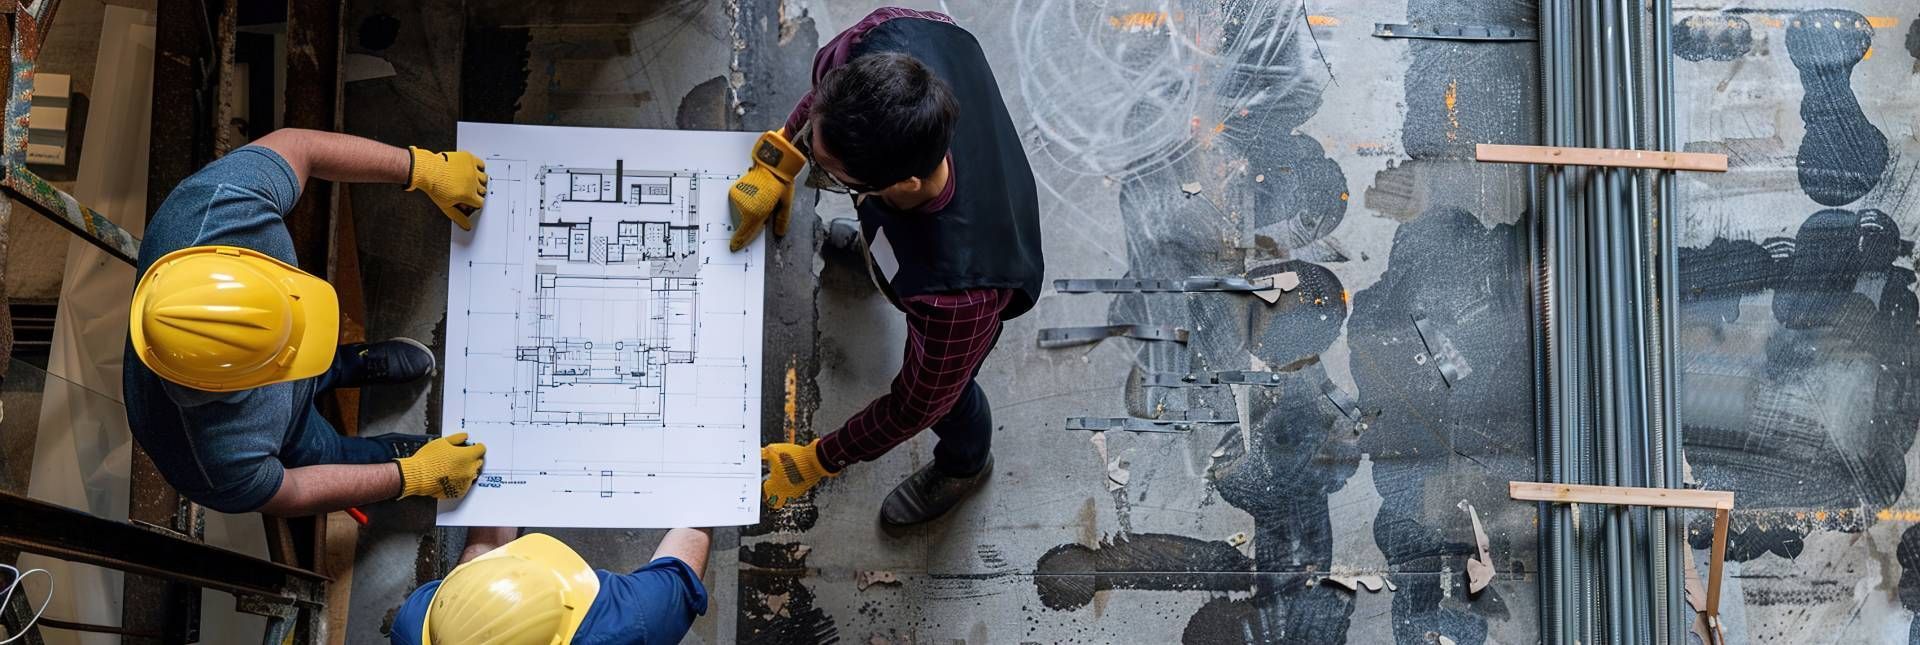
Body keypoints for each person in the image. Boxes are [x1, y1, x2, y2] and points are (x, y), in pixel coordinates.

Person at [731, 8, 1044, 526]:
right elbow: (826, 104)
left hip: (973, 264)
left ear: (905, 185)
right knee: (886, 237)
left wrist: (822, 458)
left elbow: (912, 407)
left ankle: (966, 466)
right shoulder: (886, 37)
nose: (815, 159)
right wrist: (782, 154)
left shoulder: (956, 300)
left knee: (951, 398)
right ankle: (874, 254)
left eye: (832, 174)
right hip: (915, 230)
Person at [124, 128, 490, 516]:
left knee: (320, 362)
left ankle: (343, 365)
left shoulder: (216, 208)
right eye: (284, 358)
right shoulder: (213, 462)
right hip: (288, 432)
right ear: (223, 388)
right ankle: (391, 458)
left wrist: (421, 168)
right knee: (326, 453)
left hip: (259, 375)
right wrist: (410, 477)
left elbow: (301, 148)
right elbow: (295, 490)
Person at [388, 527, 711, 645]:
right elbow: (680, 566)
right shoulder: (629, 624)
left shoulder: (415, 625)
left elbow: (475, 566)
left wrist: (500, 487)